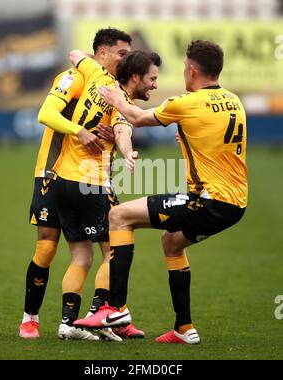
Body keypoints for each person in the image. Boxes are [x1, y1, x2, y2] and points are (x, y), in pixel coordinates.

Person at [75, 40, 248, 345]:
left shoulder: (188, 103)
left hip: (208, 202)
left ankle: (114, 309)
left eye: (184, 67)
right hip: (235, 204)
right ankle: (184, 329)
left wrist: (117, 98)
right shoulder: (234, 100)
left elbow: (138, 118)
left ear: (192, 70)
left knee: (119, 215)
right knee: (171, 242)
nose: (183, 71)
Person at [19, 27, 132, 341]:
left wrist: (111, 133)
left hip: (86, 177)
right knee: (46, 247)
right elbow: (46, 113)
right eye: (121, 54)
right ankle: (30, 318)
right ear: (102, 53)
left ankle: (91, 319)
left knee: (98, 249)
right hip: (51, 172)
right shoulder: (74, 78)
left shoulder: (111, 87)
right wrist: (79, 131)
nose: (125, 60)